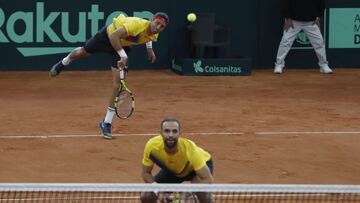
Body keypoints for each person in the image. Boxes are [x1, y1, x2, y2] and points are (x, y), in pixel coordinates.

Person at [49, 12, 169, 139]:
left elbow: (148, 36)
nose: (158, 28)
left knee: (117, 85)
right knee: (82, 52)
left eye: (162, 26)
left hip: (122, 46)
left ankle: (106, 123)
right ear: (152, 20)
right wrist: (123, 56)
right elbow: (113, 36)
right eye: (157, 23)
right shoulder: (135, 24)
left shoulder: (154, 35)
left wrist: (149, 49)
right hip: (107, 37)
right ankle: (64, 62)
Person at [140, 117, 214, 203]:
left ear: (179, 133)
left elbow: (208, 179)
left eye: (174, 131)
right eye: (167, 131)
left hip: (196, 169)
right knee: (146, 196)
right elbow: (145, 173)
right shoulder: (152, 147)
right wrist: (159, 191)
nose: (170, 135)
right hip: (174, 170)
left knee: (203, 196)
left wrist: (191, 191)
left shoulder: (190, 150)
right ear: (161, 133)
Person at [274, 0, 333, 74]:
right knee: (285, 42)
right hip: (294, 22)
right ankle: (279, 65)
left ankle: (324, 65)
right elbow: (287, 3)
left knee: (319, 42)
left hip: (311, 22)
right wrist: (288, 18)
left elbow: (321, 4)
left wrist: (318, 17)